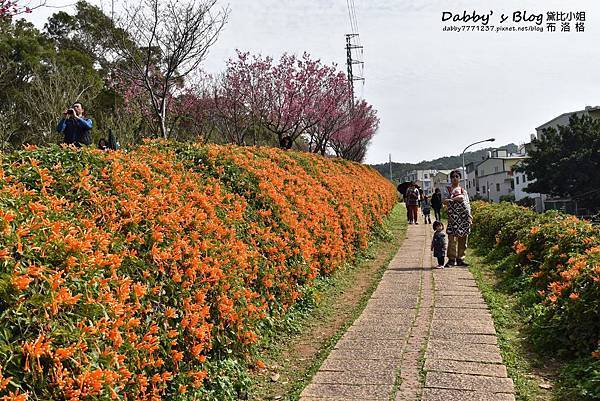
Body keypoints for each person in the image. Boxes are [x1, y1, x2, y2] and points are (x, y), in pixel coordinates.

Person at [443, 169, 472, 267]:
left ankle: (460, 259)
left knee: (463, 238)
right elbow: (444, 201)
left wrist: (469, 216)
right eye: (453, 176)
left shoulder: (464, 191)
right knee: (452, 238)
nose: (455, 178)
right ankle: (451, 259)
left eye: (457, 176)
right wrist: (454, 199)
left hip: (464, 218)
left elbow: (467, 204)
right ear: (450, 178)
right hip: (453, 218)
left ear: (460, 178)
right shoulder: (447, 190)